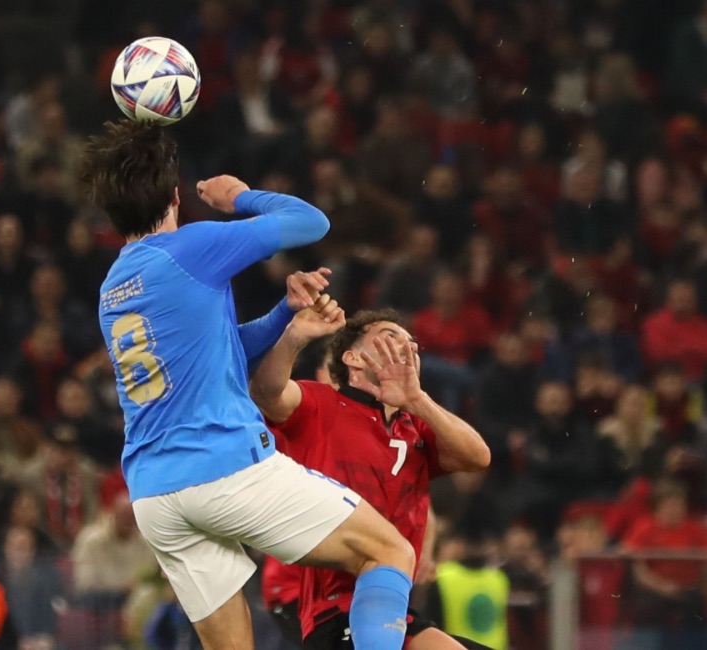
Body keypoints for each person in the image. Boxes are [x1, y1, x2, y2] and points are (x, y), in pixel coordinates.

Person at [82, 120, 418, 650]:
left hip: (154, 493)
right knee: (390, 552)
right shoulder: (191, 248)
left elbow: (219, 357)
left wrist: (286, 313)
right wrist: (239, 195)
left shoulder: (114, 288)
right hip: (223, 468)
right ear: (174, 194)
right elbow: (310, 222)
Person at [250, 305, 492, 649]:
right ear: (354, 359)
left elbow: (478, 456)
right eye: (390, 338)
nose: (406, 348)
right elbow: (267, 391)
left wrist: (417, 399)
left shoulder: (417, 427)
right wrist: (294, 337)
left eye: (412, 344)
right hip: (335, 608)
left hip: (395, 607)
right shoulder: (322, 404)